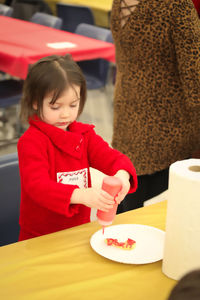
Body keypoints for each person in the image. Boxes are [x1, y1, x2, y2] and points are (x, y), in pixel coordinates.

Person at [17, 54, 137, 241]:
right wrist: (80, 194)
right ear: (34, 102)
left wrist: (122, 175)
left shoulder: (83, 136)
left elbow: (112, 157)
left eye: (73, 105)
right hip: (39, 236)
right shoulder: (31, 142)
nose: (65, 114)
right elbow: (37, 186)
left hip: (77, 231)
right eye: (55, 107)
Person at [110, 0, 200, 213]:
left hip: (128, 113)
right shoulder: (175, 5)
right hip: (165, 125)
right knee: (139, 201)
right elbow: (195, 74)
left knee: (128, 193)